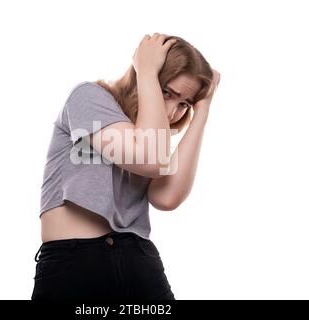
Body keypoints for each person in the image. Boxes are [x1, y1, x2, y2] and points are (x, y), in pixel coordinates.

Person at [31, 32, 220, 301]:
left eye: (183, 104)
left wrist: (203, 109)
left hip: (138, 262)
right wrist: (146, 73)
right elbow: (150, 159)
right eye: (166, 92)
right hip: (74, 265)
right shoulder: (89, 98)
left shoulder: (149, 136)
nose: (171, 113)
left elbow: (166, 197)